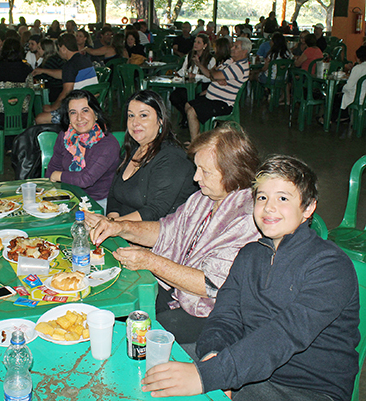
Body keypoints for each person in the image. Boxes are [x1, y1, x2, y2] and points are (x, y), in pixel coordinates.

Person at [142, 155, 359, 401]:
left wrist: (211, 375)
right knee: (150, 372)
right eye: (262, 197)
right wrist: (212, 354)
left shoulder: (330, 266)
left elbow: (284, 334)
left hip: (307, 388)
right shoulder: (250, 255)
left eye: (283, 198)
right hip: (250, 368)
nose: (269, 207)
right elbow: (226, 316)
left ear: (308, 208)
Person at [87, 125, 260, 344]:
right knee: (119, 297)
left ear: (233, 172)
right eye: (197, 168)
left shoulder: (247, 218)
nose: (196, 177)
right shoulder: (204, 199)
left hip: (215, 311)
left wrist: (150, 261)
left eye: (205, 171)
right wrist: (121, 227)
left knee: (138, 332)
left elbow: (210, 284)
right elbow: (166, 231)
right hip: (179, 291)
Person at [103, 90, 197, 221]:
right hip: (124, 229)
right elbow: (114, 195)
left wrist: (114, 226)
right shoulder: (132, 150)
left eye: (143, 115)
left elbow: (155, 211)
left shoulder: (172, 158)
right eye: (131, 116)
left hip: (158, 235)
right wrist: (111, 220)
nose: (135, 122)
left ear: (160, 120)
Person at [45, 90, 120, 210]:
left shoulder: (108, 144)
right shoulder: (65, 137)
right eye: (73, 112)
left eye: (85, 111)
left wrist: (58, 175)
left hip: (97, 203)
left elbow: (85, 179)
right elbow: (52, 168)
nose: (79, 118)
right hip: (67, 196)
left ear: (95, 114)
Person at [185, 37, 251, 141]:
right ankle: (200, 138)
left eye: (236, 47)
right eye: (233, 45)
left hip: (222, 103)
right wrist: (216, 77)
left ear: (245, 51)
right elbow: (212, 71)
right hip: (212, 98)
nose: (232, 48)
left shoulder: (240, 67)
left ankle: (195, 144)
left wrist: (216, 76)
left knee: (191, 112)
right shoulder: (230, 61)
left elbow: (214, 74)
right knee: (188, 105)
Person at [34, 33, 98, 124]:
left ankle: (59, 137)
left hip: (78, 109)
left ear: (63, 48)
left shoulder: (70, 65)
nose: (58, 52)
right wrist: (44, 71)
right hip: (91, 105)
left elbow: (67, 92)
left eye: (59, 49)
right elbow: (66, 74)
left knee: (39, 118)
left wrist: (52, 108)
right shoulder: (84, 59)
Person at [0, 37, 34, 144]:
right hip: (23, 116)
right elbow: (31, 91)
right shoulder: (27, 69)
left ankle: (8, 145)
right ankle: (21, 145)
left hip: (2, 116)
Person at [169, 33, 215, 127]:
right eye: (195, 41)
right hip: (188, 84)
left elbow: (210, 77)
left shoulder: (210, 59)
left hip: (202, 86)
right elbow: (183, 69)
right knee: (174, 97)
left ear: (205, 45)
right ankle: (186, 116)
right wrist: (177, 74)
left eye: (199, 42)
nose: (195, 44)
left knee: (186, 97)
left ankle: (189, 118)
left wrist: (196, 76)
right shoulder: (190, 55)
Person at [33, 38, 65, 102]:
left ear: (45, 50)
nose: (37, 50)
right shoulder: (53, 58)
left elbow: (42, 74)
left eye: (39, 48)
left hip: (56, 90)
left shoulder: (51, 60)